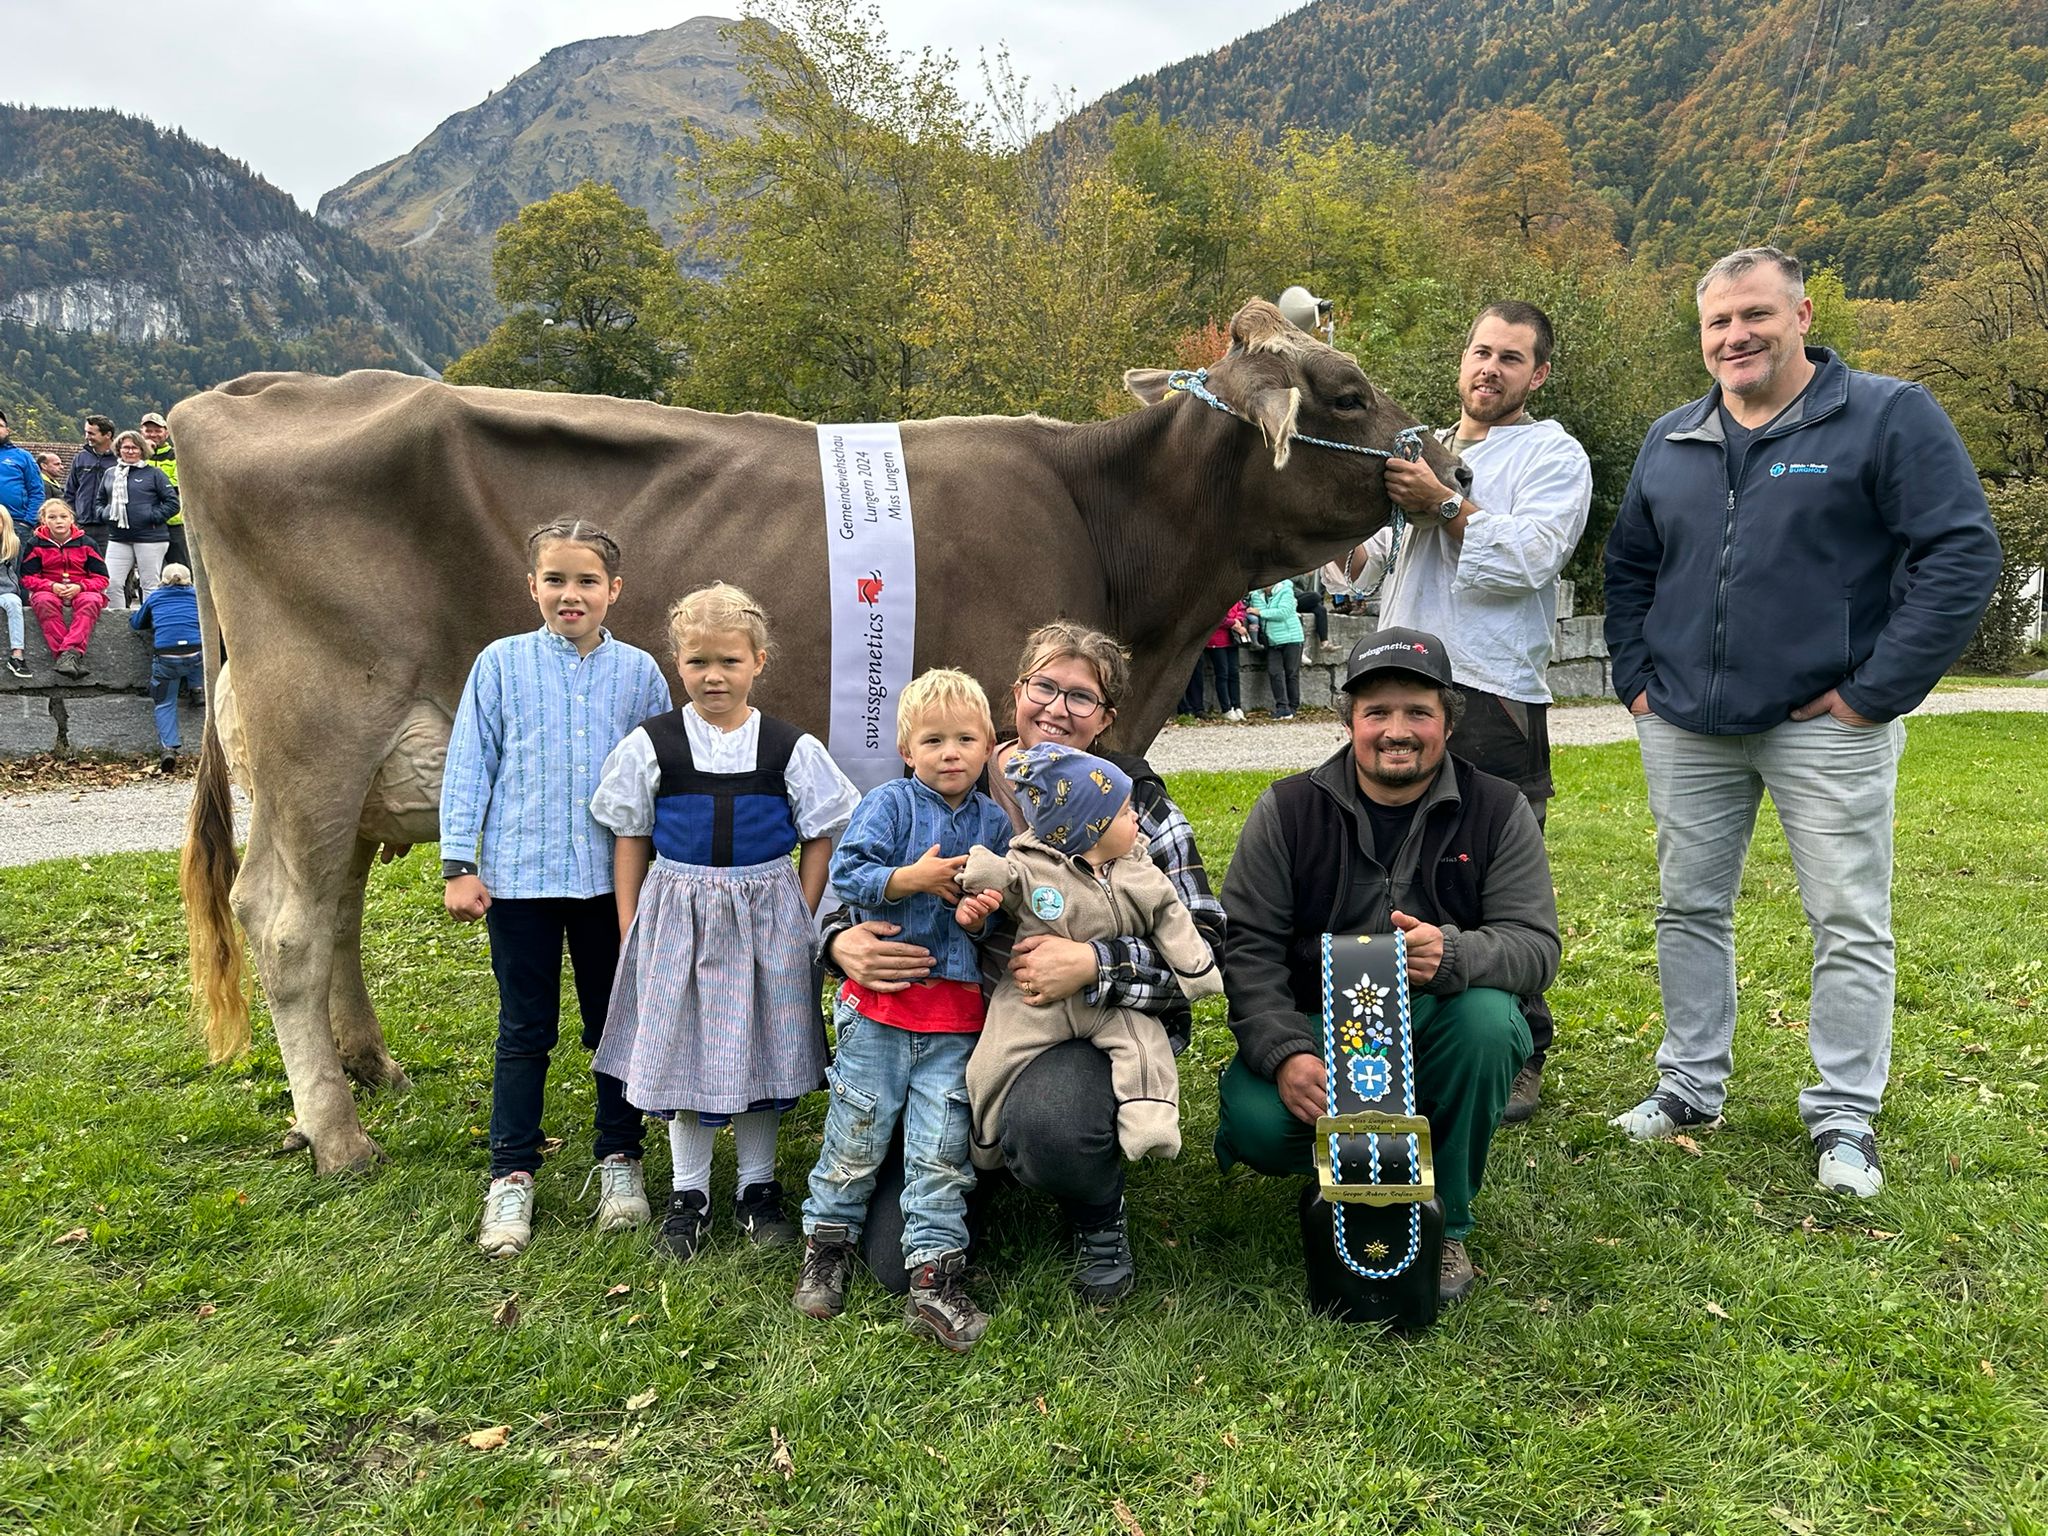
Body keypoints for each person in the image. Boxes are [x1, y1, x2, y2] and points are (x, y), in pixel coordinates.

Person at [1603, 246, 2002, 1198]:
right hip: (1687, 723)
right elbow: (1629, 568)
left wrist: (1875, 692)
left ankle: (1843, 1117)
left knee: (1848, 919)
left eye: (1756, 316)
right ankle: (1689, 1088)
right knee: (1689, 908)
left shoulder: (1885, 416)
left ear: (1802, 316)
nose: (1736, 336)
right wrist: (1636, 677)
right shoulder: (1673, 437)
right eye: (1717, 323)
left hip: (1826, 723)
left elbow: (1960, 553)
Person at [823, 620, 1227, 1301]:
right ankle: (984, 1164)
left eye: (1082, 697)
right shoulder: (947, 772)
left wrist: (1094, 963)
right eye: (1045, 686)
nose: (1058, 708)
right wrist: (838, 940)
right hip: (940, 1034)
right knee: (892, 1261)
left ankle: (1094, 1208)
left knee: (1052, 1124)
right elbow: (863, 872)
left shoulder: (1134, 803)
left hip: (1073, 1033)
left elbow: (1207, 942)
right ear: (1015, 694)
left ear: (1106, 719)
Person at [1215, 627, 1559, 1302]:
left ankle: (1446, 1220)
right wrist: (1285, 1053)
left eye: (1418, 712)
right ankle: (1355, 1173)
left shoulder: (1498, 809)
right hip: (1321, 1026)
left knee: (1489, 1023)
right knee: (1258, 1125)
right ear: (1349, 721)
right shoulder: (1286, 809)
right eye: (1377, 712)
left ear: (1449, 722)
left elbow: (1535, 947)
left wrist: (1454, 953)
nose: (1396, 730)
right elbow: (1245, 949)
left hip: (1437, 1021)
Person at [1350, 301, 1593, 1122]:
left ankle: (1521, 1043)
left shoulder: (1553, 454)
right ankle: (1407, 1023)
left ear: (1539, 374)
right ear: (1463, 359)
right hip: (1397, 681)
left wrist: (1446, 503)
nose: (1491, 369)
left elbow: (1531, 559)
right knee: (1392, 855)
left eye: (1512, 358)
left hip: (1491, 690)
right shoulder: (1419, 448)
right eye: (1481, 352)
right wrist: (1335, 529)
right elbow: (1368, 568)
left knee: (1492, 870)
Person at [590, 581, 859, 1262]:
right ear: (677, 663)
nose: (714, 676)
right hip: (679, 913)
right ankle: (690, 1194)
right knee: (685, 1047)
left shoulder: (788, 747)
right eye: (698, 661)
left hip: (765, 911)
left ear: (758, 661)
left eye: (730, 661)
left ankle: (757, 1188)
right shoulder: (654, 744)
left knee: (762, 1044)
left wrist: (800, 906)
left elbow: (824, 828)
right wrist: (631, 926)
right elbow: (630, 836)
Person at [440, 519, 674, 1260]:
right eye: (556, 580)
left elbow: (665, 773)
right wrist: (459, 863)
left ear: (614, 591)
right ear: (532, 585)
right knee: (524, 1028)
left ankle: (620, 1160)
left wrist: (669, 864)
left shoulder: (639, 674)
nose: (570, 595)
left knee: (614, 1026)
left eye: (587, 582)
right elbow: (471, 762)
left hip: (613, 886)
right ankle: (512, 1172)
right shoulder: (501, 665)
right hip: (520, 881)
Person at [793, 669, 1013, 1352]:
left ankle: (934, 1275)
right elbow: (847, 874)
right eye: (934, 740)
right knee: (854, 1136)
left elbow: (994, 921)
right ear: (906, 749)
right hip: (881, 1013)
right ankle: (825, 1247)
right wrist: (908, 879)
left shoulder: (994, 823)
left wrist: (979, 916)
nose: (951, 752)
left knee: (942, 1151)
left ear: (988, 746)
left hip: (952, 1021)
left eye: (966, 739)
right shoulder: (888, 805)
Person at [957, 742, 1221, 1165]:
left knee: (1143, 1046)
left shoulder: (1139, 870)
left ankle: (1150, 1120)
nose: (1135, 817)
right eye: (1122, 813)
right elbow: (1005, 876)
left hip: (1110, 1004)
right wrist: (978, 873)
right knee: (994, 1057)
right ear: (1089, 828)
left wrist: (1198, 969)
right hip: (1033, 1000)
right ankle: (985, 1140)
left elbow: (1174, 917)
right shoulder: (1034, 862)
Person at [19, 500, 109, 678]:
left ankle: (67, 654)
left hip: (81, 588)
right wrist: (50, 586)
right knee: (44, 602)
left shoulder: (87, 543)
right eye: (52, 517)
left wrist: (80, 586)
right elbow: (28, 578)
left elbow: (102, 578)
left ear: (71, 519)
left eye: (63, 516)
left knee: (91, 601)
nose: (58, 521)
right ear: (44, 520)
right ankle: (69, 657)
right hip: (49, 589)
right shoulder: (35, 544)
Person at [129, 561, 203, 770]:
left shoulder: (156, 597)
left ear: (163, 580)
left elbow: (136, 623)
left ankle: (169, 748)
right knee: (198, 654)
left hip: (166, 656)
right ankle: (197, 689)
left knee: (164, 702)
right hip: (195, 652)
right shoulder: (197, 595)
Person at [96, 430, 178, 610]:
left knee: (149, 585)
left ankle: (150, 625)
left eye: (135, 447)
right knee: (112, 583)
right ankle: (118, 623)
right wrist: (105, 514)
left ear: (142, 450)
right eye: (126, 447)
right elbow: (99, 501)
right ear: (119, 449)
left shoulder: (154, 474)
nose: (130, 451)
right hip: (118, 538)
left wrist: (151, 516)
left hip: (150, 538)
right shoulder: (110, 474)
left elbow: (173, 503)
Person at [1246, 580, 1306, 718]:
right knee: (1275, 673)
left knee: (1291, 673)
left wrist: (1260, 612)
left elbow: (1283, 612)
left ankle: (1293, 707)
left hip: (1292, 638)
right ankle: (1282, 707)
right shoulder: (1256, 595)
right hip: (1272, 641)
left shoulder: (1286, 590)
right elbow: (1252, 611)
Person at [1181, 600, 1249, 720]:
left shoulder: (1235, 593)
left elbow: (1241, 608)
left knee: (1234, 673)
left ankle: (1236, 705)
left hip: (1232, 638)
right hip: (1216, 640)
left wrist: (1238, 621)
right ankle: (1226, 708)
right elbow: (1213, 615)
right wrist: (1232, 623)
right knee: (1222, 673)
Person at [139, 412, 187, 571]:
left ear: (166, 433)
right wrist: (146, 453)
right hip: (144, 524)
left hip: (174, 524)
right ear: (141, 432)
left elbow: (177, 486)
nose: (153, 434)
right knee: (149, 571)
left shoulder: (177, 455)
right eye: (149, 430)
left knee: (181, 569)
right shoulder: (135, 456)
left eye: (157, 430)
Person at [63, 417, 117, 554]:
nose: (87, 437)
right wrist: (72, 517)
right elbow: (70, 491)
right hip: (82, 525)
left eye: (92, 433)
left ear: (108, 435)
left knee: (107, 569)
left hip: (109, 527)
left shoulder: (119, 460)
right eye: (86, 432)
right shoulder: (80, 458)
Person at [0, 409, 47, 544]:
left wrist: (28, 522)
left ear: (7, 430)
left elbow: (37, 492)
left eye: (0, 426)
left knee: (16, 565)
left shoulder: (23, 456)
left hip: (16, 524)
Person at [0, 520, 30, 679]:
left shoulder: (12, 543)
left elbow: (19, 573)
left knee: (14, 602)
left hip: (5, 591)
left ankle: (17, 656)